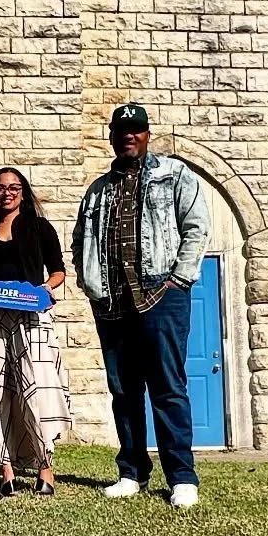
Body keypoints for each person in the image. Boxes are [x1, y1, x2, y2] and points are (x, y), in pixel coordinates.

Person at [72, 103, 212, 509]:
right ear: (112, 136)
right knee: (124, 392)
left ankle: (182, 477)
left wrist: (178, 280)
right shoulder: (97, 189)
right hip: (113, 304)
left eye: (136, 129)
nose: (128, 136)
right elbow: (81, 239)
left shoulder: (174, 175)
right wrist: (90, 283)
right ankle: (131, 471)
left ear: (147, 134)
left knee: (168, 388)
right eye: (121, 130)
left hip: (161, 297)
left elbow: (196, 226)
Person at [0, 168, 72, 498]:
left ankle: (45, 470)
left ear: (23, 193)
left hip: (32, 319)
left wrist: (40, 290)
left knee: (38, 391)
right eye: (0, 188)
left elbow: (58, 272)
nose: (7, 193)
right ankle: (6, 472)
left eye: (14, 187)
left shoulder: (40, 228)